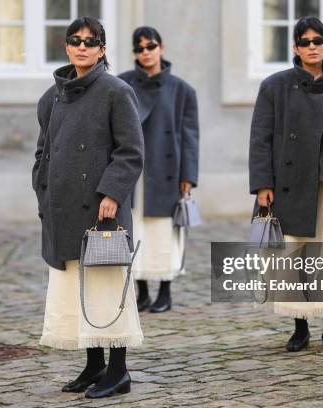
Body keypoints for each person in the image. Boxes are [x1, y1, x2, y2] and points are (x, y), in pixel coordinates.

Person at [32, 17, 144, 398]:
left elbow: (131, 153)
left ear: (102, 49)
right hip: (62, 211)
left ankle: (119, 370)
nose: (82, 46)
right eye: (75, 40)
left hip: (102, 211)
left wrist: (112, 194)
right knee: (76, 291)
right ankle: (94, 365)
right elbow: (43, 152)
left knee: (106, 288)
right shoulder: (51, 97)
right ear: (66, 46)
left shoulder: (117, 91)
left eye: (90, 41)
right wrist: (42, 190)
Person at [249, 17, 323, 352]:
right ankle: (299, 327)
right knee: (293, 254)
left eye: (318, 40)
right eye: (305, 41)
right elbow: (260, 139)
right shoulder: (274, 87)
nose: (312, 46)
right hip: (289, 185)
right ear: (295, 48)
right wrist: (261, 184)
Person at [118, 26, 200, 313]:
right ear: (134, 53)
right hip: (134, 173)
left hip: (168, 171)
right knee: (135, 230)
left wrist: (188, 177)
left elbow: (190, 137)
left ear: (161, 48)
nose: (146, 53)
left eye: (150, 46)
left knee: (163, 232)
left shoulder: (182, 90)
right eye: (140, 49)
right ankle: (141, 292)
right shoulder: (122, 85)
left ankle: (165, 291)